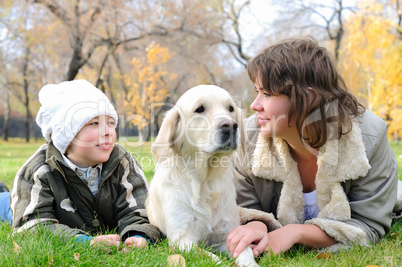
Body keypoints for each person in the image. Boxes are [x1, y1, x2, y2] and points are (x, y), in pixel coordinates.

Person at [227, 36, 399, 257]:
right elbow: (244, 208)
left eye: (267, 94)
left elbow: (369, 224)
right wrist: (256, 224)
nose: (254, 105)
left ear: (308, 97)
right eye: (257, 92)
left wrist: (297, 232)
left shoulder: (369, 137)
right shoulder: (249, 138)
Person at [3, 79, 160, 249]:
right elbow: (34, 224)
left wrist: (138, 235)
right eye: (94, 123)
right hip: (27, 199)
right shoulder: (39, 170)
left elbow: (138, 208)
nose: (107, 131)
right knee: (6, 205)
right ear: (66, 137)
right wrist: (84, 242)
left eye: (111, 123)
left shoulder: (122, 162)